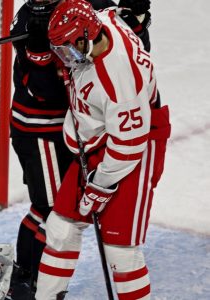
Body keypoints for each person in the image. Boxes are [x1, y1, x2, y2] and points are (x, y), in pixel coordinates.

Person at [8, 0, 153, 297]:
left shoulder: (114, 69)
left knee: (118, 248)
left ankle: (28, 280)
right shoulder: (28, 20)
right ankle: (27, 282)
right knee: (54, 218)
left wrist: (135, 17)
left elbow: (128, 142)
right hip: (43, 128)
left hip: (110, 138)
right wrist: (36, 54)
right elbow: (45, 91)